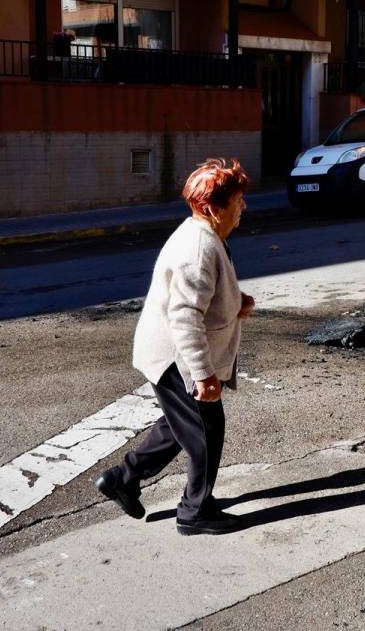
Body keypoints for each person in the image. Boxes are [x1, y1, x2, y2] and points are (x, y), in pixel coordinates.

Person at [96, 158, 254, 535]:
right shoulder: (199, 248)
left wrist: (235, 302)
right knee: (205, 431)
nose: (243, 207)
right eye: (237, 201)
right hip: (174, 356)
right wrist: (203, 375)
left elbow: (201, 297)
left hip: (170, 350)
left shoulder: (206, 234)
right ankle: (194, 512)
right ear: (214, 209)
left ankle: (124, 478)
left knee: (179, 425)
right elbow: (184, 317)